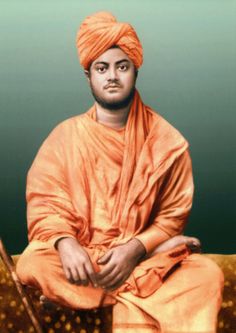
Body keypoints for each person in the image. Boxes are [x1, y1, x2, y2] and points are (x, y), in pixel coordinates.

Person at [16, 11, 224, 333]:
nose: (112, 76)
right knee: (35, 260)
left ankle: (89, 291)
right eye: (102, 68)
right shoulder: (65, 137)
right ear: (89, 76)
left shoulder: (167, 142)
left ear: (135, 71)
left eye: (121, 66)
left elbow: (171, 215)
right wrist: (65, 243)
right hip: (88, 257)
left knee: (206, 275)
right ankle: (149, 269)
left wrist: (134, 249)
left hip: (131, 251)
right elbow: (45, 203)